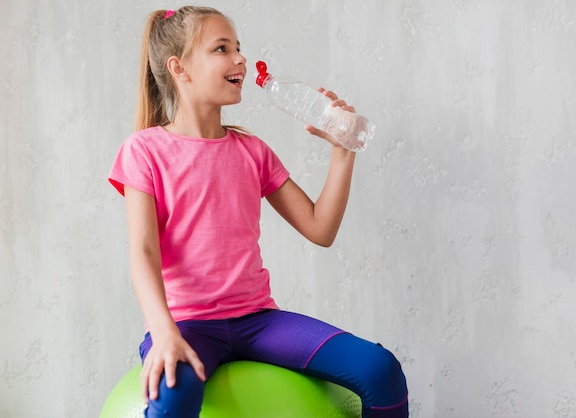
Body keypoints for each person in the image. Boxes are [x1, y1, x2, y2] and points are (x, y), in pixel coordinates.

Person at [108, 6, 408, 418]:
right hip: (186, 324)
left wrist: (344, 150)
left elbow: (320, 228)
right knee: (175, 397)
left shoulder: (252, 151)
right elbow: (143, 251)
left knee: (380, 370)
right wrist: (163, 333)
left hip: (258, 321)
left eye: (238, 48)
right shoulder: (144, 151)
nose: (240, 60)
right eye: (222, 48)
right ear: (180, 68)